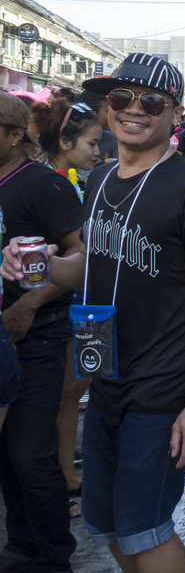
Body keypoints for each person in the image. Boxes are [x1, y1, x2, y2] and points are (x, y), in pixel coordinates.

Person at [2, 54, 185, 573]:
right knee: (108, 526)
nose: (133, 110)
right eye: (121, 98)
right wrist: (28, 266)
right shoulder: (100, 180)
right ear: (107, 109)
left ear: (174, 111)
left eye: (151, 101)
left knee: (145, 532)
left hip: (162, 390)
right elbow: (86, 265)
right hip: (106, 377)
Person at [0, 93, 84, 573]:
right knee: (6, 452)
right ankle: (21, 543)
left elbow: (81, 258)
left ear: (15, 135)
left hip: (38, 337)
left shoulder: (44, 186)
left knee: (31, 453)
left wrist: (30, 304)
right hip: (1, 339)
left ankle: (55, 555)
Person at [30, 97, 104, 519]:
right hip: (68, 306)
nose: (97, 151)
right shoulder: (53, 183)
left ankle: (65, 473)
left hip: (83, 303)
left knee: (74, 392)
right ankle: (62, 477)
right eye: (92, 143)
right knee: (65, 395)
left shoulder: (71, 180)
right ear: (65, 141)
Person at [76, 91, 118, 163]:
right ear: (92, 114)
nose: (97, 152)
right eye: (107, 111)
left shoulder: (113, 139)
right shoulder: (73, 137)